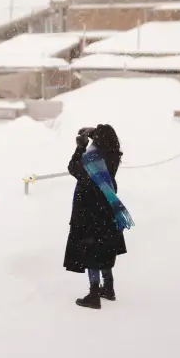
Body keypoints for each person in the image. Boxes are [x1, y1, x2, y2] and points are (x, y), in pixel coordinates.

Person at [63, 124, 134, 310]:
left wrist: (80, 146)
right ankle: (108, 288)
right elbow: (107, 137)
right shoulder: (112, 156)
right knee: (104, 249)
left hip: (89, 211)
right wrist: (93, 132)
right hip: (107, 210)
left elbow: (73, 168)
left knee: (91, 251)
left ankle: (94, 294)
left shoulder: (91, 161)